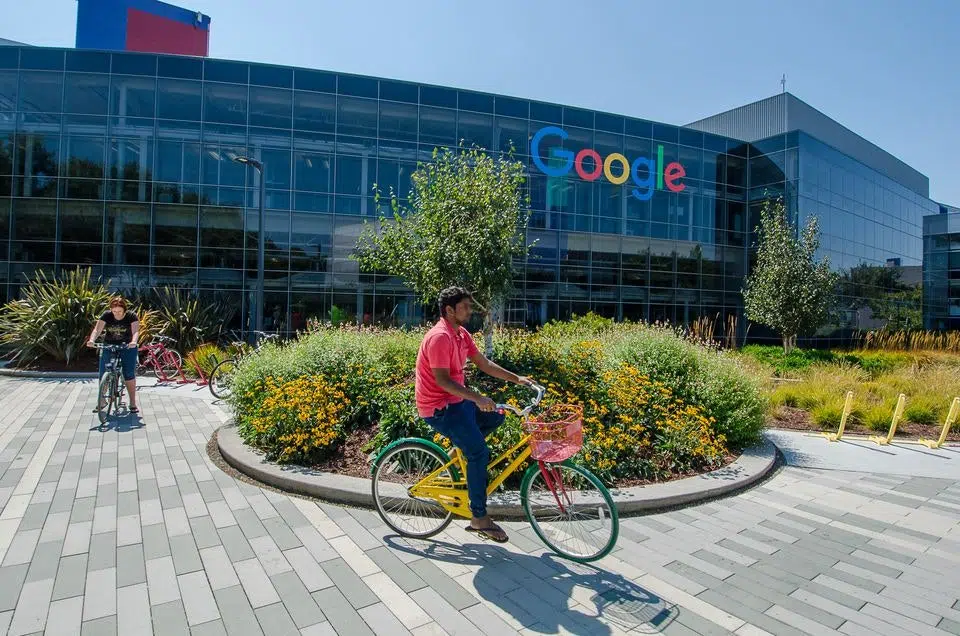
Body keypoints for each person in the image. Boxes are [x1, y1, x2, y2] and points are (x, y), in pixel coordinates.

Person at [416, 286, 532, 543]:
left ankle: (461, 450)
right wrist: (478, 398)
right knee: (479, 452)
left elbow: (484, 364)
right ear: (449, 310)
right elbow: (443, 381)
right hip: (439, 407)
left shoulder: (461, 334)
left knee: (497, 416)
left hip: (456, 402)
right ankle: (479, 517)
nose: (470, 310)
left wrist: (518, 379)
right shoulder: (439, 337)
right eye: (465, 306)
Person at [87, 296, 140, 414]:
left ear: (124, 310)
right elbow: (97, 330)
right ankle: (101, 401)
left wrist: (133, 342)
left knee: (129, 374)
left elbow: (135, 331)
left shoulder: (131, 316)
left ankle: (132, 402)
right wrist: (92, 340)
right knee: (103, 372)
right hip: (109, 345)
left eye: (119, 311)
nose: (116, 313)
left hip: (127, 346)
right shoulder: (106, 315)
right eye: (114, 311)